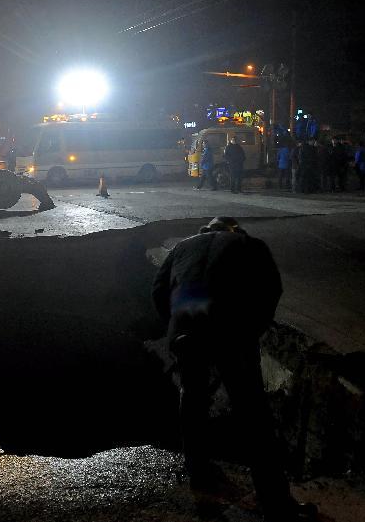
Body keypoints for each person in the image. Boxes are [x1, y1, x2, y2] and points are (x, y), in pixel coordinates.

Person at [152, 217, 316, 522]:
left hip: (187, 323)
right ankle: (275, 500)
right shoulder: (247, 244)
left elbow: (160, 290)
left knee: (193, 401)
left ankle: (200, 476)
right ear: (235, 230)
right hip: (230, 330)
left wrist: (178, 327)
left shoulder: (183, 246)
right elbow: (270, 290)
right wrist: (250, 330)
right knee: (254, 415)